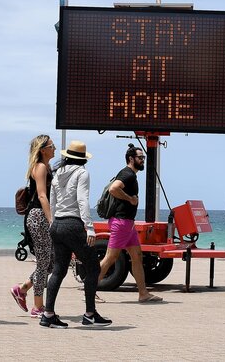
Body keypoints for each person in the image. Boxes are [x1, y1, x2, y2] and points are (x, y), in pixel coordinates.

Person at [42, 140, 111, 328]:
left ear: (67, 156)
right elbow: (82, 200)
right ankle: (90, 314)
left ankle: (48, 314)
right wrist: (89, 227)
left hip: (57, 224)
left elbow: (53, 201)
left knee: (59, 270)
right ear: (83, 159)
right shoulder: (82, 173)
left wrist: (53, 224)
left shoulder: (57, 175)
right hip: (73, 225)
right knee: (93, 268)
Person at [97, 143, 162, 303]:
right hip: (121, 223)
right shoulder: (128, 174)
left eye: (143, 158)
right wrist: (130, 199)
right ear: (131, 158)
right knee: (110, 258)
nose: (143, 160)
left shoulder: (130, 174)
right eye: (140, 158)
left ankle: (143, 293)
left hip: (128, 224)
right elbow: (114, 189)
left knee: (137, 256)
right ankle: (90, 290)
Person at [10, 135, 56, 318]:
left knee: (50, 263)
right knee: (44, 262)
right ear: (43, 150)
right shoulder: (41, 167)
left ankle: (22, 289)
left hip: (40, 216)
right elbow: (42, 195)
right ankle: (38, 307)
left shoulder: (46, 166)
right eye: (51, 146)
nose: (54, 148)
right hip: (39, 216)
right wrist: (51, 219)